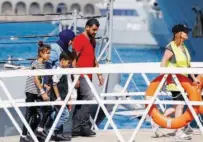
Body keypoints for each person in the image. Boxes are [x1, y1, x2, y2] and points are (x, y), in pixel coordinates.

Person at [155, 24, 200, 140]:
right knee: (180, 105)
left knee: (179, 105)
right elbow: (164, 62)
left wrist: (194, 79)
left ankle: (160, 118)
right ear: (178, 33)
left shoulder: (183, 47)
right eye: (185, 31)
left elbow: (188, 66)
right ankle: (178, 132)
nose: (187, 33)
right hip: (174, 81)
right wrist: (162, 79)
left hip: (185, 81)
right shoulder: (171, 47)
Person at [71, 18, 104, 137]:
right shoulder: (79, 40)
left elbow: (93, 59)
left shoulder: (92, 41)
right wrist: (76, 77)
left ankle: (75, 128)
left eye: (96, 30)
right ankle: (84, 126)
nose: (95, 32)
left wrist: (99, 74)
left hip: (88, 76)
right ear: (87, 27)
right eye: (94, 30)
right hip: (81, 75)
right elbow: (73, 59)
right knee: (88, 97)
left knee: (81, 101)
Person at [20, 41, 51, 142]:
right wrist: (43, 92)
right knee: (29, 113)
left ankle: (39, 130)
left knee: (48, 108)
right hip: (31, 91)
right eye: (48, 53)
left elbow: (40, 80)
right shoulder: (35, 63)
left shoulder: (44, 64)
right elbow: (36, 79)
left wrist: (45, 86)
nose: (49, 55)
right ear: (41, 53)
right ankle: (23, 136)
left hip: (37, 90)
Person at [49, 51, 74, 141]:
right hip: (58, 98)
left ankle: (58, 134)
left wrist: (69, 100)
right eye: (68, 62)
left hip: (64, 97)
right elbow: (54, 84)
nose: (69, 65)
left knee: (58, 115)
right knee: (65, 115)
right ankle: (52, 130)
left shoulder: (66, 71)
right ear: (62, 60)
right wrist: (58, 98)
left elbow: (69, 86)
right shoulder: (59, 71)